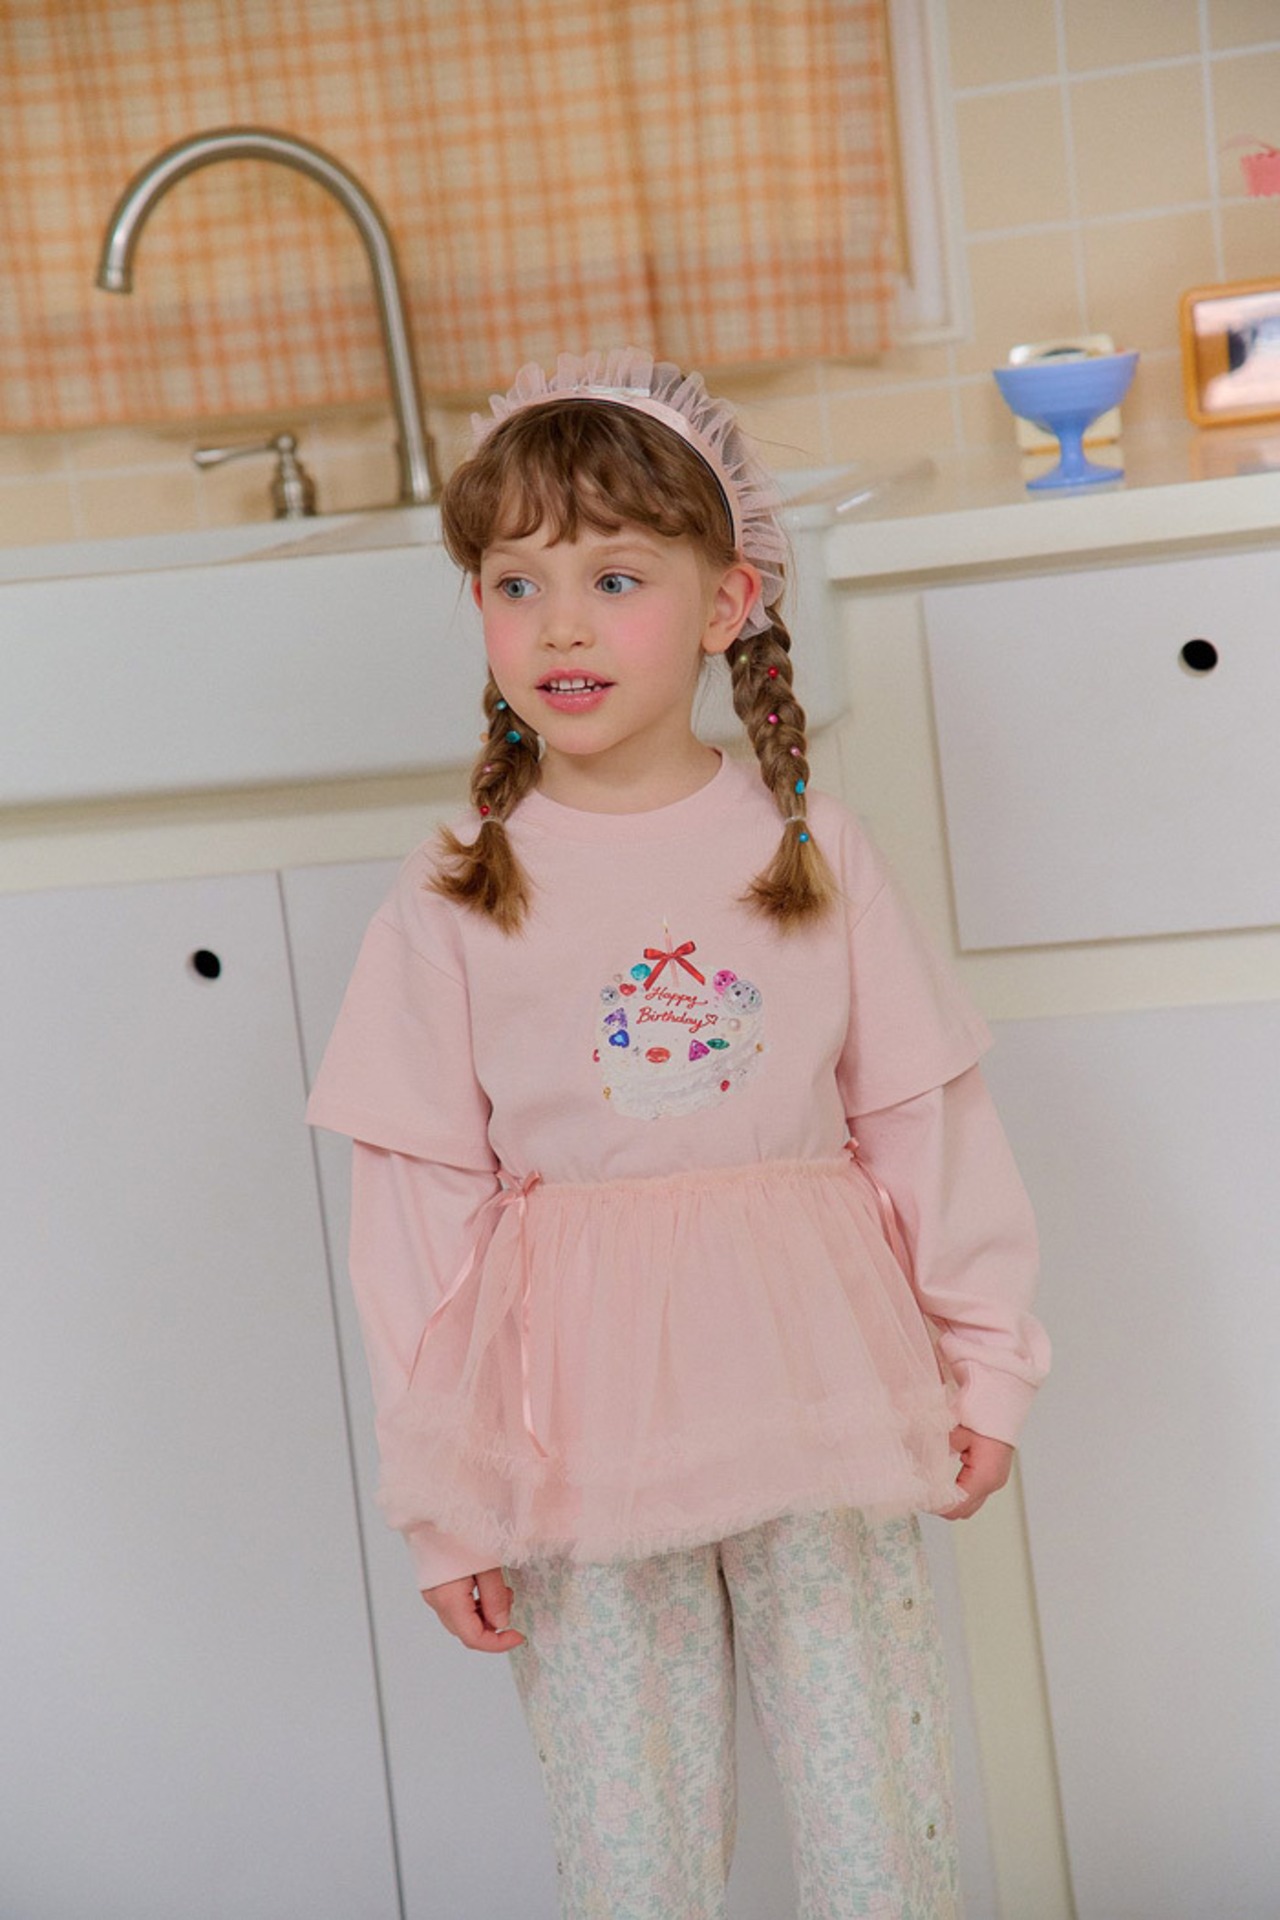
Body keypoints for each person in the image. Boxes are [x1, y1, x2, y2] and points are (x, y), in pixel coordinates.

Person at [306, 348, 1049, 1919]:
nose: (560, 626)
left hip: (821, 1395)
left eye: (615, 577)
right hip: (571, 1433)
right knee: (629, 1844)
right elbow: (417, 1224)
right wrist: (443, 1500)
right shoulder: (454, 896)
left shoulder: (816, 853)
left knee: (876, 1815)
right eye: (515, 585)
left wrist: (986, 1357)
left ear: (728, 602)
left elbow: (921, 1121)